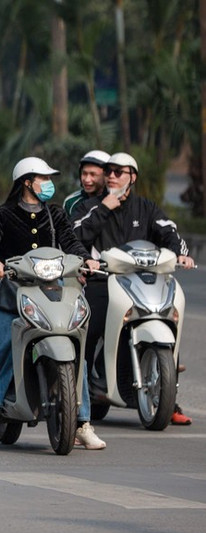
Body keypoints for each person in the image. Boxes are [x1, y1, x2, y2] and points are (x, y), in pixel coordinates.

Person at [0, 156, 102, 451]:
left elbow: (71, 242)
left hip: (52, 290)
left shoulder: (55, 214)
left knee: (74, 346)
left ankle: (82, 422)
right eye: (43, 179)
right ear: (27, 182)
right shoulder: (3, 214)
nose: (48, 184)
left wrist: (86, 259)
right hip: (13, 295)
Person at [71, 152, 196, 425]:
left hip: (141, 280)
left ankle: (167, 392)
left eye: (120, 172)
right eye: (110, 171)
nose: (113, 176)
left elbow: (169, 231)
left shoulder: (146, 208)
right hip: (103, 280)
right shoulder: (91, 206)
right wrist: (104, 208)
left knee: (165, 314)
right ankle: (74, 392)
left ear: (133, 177)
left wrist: (180, 254)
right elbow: (75, 235)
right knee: (88, 329)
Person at [63, 150, 110, 217]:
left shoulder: (117, 201)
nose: (87, 180)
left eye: (93, 174)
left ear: (106, 176)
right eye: (84, 173)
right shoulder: (71, 202)